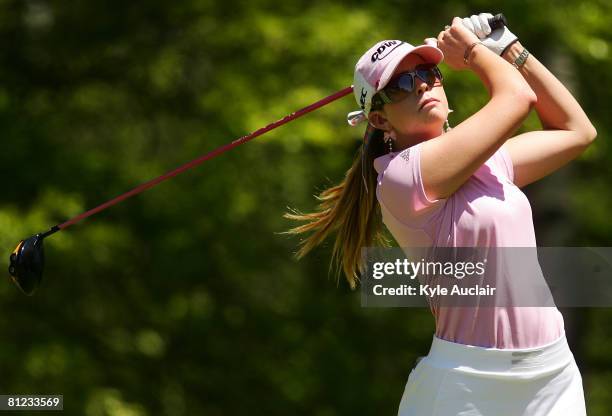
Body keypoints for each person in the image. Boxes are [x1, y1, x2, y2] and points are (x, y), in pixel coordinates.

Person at [282, 12, 596, 415]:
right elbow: (517, 100)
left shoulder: (489, 163)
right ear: (379, 119)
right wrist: (473, 51)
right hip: (466, 387)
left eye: (428, 71)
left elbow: (577, 131)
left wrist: (511, 48)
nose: (422, 85)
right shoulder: (400, 178)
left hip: (552, 374)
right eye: (400, 86)